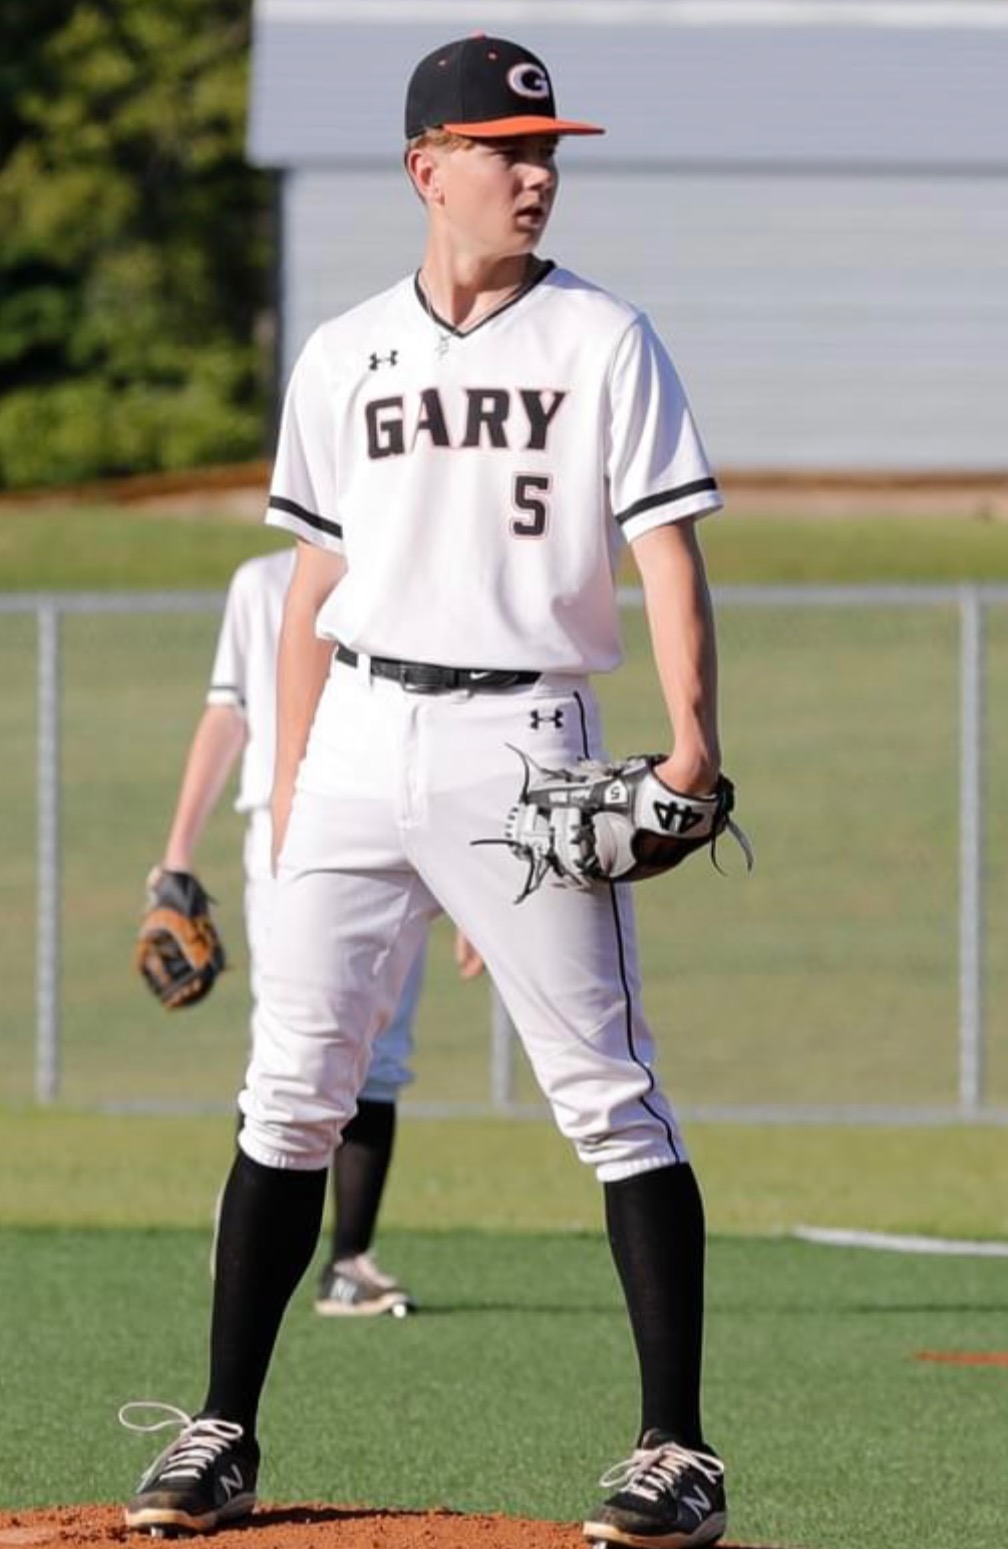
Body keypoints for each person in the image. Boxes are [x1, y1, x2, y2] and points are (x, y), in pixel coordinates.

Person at [121, 34, 732, 1547]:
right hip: (355, 735)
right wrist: (294, 783)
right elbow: (312, 583)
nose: (535, 175)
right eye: (505, 150)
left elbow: (665, 549)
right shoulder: (343, 355)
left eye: (547, 152)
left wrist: (692, 745)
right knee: (289, 1091)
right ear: (426, 168)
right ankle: (221, 1429)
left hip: (525, 742)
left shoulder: (602, 339)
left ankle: (677, 1450)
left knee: (608, 1093)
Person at [151, 546, 481, 1317]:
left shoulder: (411, 561)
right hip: (287, 829)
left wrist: (475, 888)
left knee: (380, 1045)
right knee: (291, 1042)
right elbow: (229, 711)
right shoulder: (261, 582)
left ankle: (348, 1262)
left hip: (396, 827)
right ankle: (251, 1233)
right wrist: (176, 851)